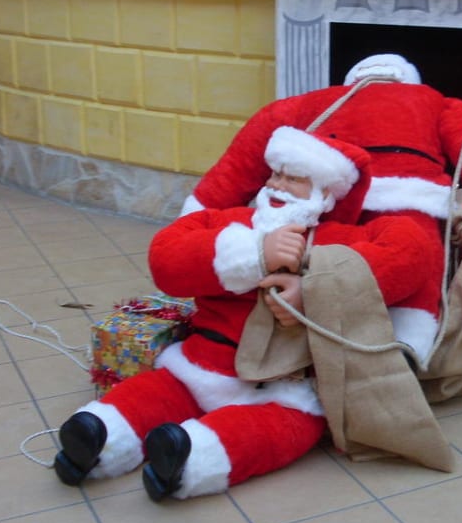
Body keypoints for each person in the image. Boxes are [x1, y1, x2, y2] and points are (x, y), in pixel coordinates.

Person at [54, 127, 439, 501]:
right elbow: (166, 258)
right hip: (202, 366)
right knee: (154, 393)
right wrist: (256, 254)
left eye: (295, 178)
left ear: (324, 195)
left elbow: (411, 252)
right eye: (276, 173)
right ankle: (101, 437)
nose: (278, 185)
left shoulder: (343, 237)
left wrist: (314, 285)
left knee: (279, 429)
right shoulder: (229, 223)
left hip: (283, 387)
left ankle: (188, 458)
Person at [178, 54, 462, 357]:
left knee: (319, 253)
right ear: (410, 82)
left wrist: (196, 217)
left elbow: (241, 161)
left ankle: (304, 314)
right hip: (409, 198)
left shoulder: (307, 101)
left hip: (329, 203)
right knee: (414, 260)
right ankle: (406, 339)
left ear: (350, 80)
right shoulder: (436, 101)